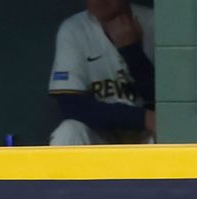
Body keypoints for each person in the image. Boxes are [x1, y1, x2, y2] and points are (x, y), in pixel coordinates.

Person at [47, 0, 155, 145]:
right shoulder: (74, 29)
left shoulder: (154, 22)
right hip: (102, 134)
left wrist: (132, 51)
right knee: (69, 131)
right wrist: (142, 118)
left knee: (167, 128)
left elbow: (165, 100)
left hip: (148, 135)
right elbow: (71, 106)